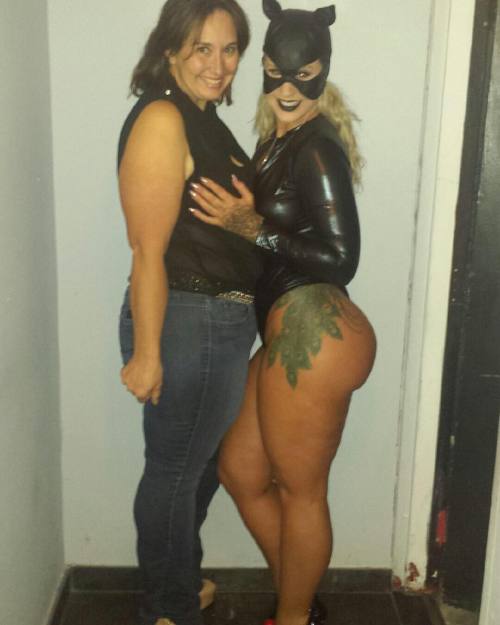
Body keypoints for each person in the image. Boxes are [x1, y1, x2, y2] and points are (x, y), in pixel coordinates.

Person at [189, 1, 376, 624]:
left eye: (305, 75)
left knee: (302, 493)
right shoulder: (282, 140)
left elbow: (341, 257)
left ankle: (293, 617)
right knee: (241, 470)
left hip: (315, 331)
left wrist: (251, 227)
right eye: (276, 72)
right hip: (287, 333)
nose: (289, 88)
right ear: (264, 67)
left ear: (323, 72)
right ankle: (301, 596)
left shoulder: (315, 147)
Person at [117, 2, 262, 624]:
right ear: (171, 48)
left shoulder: (204, 119)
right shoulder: (163, 118)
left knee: (194, 468)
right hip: (184, 320)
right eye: (203, 47)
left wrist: (251, 223)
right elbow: (147, 249)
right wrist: (148, 353)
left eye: (230, 49)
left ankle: (175, 583)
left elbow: (234, 226)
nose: (219, 64)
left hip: (213, 323)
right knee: (175, 471)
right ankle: (169, 609)